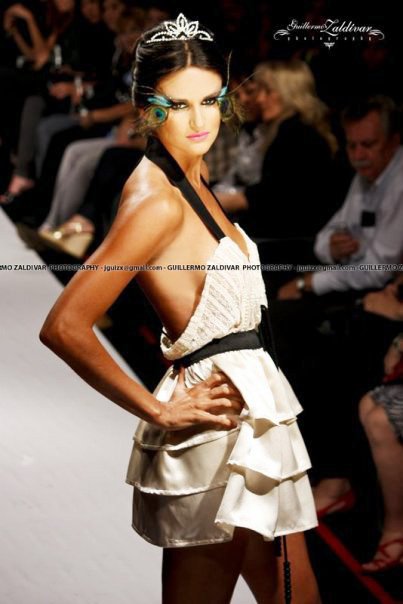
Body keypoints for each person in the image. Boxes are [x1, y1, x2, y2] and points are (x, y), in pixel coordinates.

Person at [39, 14, 320, 604]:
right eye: (178, 105)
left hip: (250, 421)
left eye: (210, 101)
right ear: (147, 107)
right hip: (216, 434)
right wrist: (158, 410)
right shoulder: (156, 203)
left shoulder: (191, 171)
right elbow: (64, 325)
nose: (199, 121)